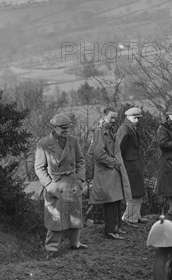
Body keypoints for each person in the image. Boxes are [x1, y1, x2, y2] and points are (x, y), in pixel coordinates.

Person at [34, 113, 87, 252]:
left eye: (67, 127)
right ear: (55, 127)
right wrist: (49, 185)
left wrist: (80, 179)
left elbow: (81, 161)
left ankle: (75, 244)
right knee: (55, 218)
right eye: (63, 128)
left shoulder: (73, 141)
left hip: (72, 184)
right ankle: (51, 248)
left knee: (75, 216)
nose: (66, 130)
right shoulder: (44, 143)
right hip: (55, 185)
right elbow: (39, 168)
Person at [89, 108, 131, 240]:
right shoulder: (100, 132)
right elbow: (98, 154)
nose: (114, 120)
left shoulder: (110, 131)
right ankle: (110, 231)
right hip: (107, 173)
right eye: (111, 118)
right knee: (111, 201)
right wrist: (114, 162)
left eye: (115, 118)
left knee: (117, 200)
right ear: (104, 116)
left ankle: (117, 227)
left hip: (113, 172)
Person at [116, 106, 148, 226]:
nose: (137, 120)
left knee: (138, 191)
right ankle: (129, 217)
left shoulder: (131, 128)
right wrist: (121, 165)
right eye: (135, 118)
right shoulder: (125, 129)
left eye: (138, 118)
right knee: (133, 192)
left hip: (134, 165)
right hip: (129, 166)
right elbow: (119, 149)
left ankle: (136, 215)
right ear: (128, 117)